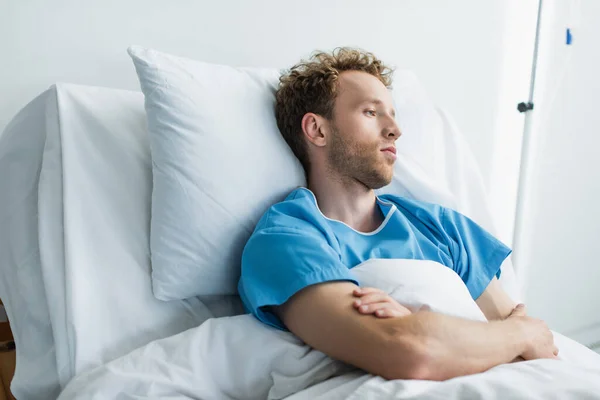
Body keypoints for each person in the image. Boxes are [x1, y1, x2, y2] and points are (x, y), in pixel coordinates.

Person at [237, 48, 557, 381]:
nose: (394, 130)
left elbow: (534, 351)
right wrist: (512, 334)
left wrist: (415, 320)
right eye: (371, 112)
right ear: (317, 130)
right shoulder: (286, 238)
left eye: (393, 114)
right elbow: (410, 352)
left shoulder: (443, 227)